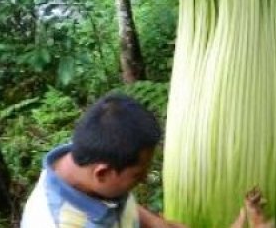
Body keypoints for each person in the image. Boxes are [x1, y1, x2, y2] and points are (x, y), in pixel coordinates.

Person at [21, 93, 186, 228]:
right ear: (102, 173)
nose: (144, 179)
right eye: (137, 175)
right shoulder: (54, 222)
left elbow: (113, 203)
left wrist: (154, 222)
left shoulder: (95, 153)